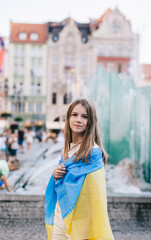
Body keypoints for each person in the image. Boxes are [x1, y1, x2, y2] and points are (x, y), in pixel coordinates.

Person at [45, 98, 114, 240]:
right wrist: (56, 174)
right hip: (61, 212)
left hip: (80, 218)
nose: (78, 120)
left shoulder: (93, 153)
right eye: (74, 115)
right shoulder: (67, 148)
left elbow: (95, 195)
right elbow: (66, 180)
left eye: (85, 117)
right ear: (68, 117)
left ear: (91, 122)